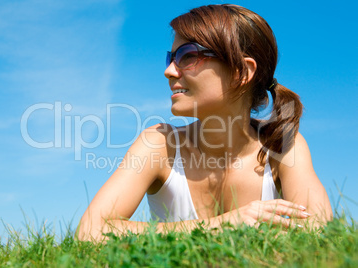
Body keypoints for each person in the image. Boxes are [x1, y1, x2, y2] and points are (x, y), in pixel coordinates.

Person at [77, 4, 332, 242]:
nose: (169, 71)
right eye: (171, 58)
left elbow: (319, 230)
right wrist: (222, 225)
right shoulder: (158, 145)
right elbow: (90, 231)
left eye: (187, 56)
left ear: (241, 72)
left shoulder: (282, 145)